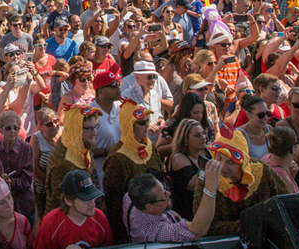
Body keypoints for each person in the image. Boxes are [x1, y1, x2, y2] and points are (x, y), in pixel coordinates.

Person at [195, 127, 290, 235]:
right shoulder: (207, 175)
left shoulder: (262, 171)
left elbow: (287, 201)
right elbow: (204, 225)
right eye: (219, 158)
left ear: (243, 163)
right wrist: (252, 225)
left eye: (231, 162)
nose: (222, 167)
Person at [102, 99, 164, 244]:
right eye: (141, 122)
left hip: (158, 217)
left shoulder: (150, 147)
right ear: (129, 125)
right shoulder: (118, 157)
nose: (146, 125)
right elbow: (114, 204)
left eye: (147, 121)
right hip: (132, 227)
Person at [124, 159, 221, 243]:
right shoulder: (154, 232)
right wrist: (210, 188)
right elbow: (198, 230)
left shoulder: (132, 196)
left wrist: (170, 214)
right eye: (164, 196)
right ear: (150, 207)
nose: (168, 194)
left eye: (164, 188)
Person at [44, 104, 102, 214]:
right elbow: (58, 204)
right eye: (89, 129)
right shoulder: (62, 162)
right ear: (75, 128)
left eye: (95, 127)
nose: (94, 133)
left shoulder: (81, 143)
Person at [36, 169, 113, 249]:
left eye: (93, 198)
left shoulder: (99, 218)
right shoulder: (50, 223)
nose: (93, 204)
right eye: (85, 200)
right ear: (69, 201)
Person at [0, 110, 35, 224]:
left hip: (23, 205)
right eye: (8, 128)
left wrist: (10, 183)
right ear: (1, 130)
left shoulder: (26, 148)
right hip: (0, 206)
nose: (13, 131)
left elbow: (27, 180)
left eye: (16, 128)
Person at [89, 67, 122, 188]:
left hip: (120, 176)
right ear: (101, 91)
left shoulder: (122, 108)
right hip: (100, 179)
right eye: (113, 86)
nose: (118, 88)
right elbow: (81, 151)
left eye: (118, 84)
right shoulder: (89, 114)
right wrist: (108, 151)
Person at [30, 107, 61, 224]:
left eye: (56, 121)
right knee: (45, 219)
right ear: (41, 126)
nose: (54, 125)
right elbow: (35, 168)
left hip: (61, 185)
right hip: (43, 188)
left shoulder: (64, 133)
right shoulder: (36, 138)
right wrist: (50, 186)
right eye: (49, 124)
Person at [262, 127, 299, 193]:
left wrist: (292, 174)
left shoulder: (266, 158)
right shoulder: (284, 179)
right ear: (293, 148)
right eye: (298, 141)